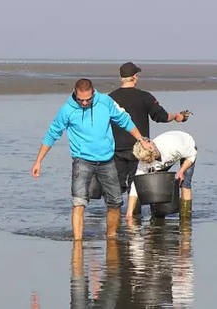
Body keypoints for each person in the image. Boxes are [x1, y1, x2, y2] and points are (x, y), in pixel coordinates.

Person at [31, 78, 154, 240]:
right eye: (81, 99)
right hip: (82, 161)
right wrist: (38, 161)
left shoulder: (105, 102)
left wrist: (141, 140)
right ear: (75, 94)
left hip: (107, 160)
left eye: (88, 99)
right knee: (79, 202)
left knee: (116, 202)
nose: (84, 103)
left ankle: (111, 238)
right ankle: (77, 243)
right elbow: (52, 134)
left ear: (93, 92)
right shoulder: (67, 110)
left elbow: (124, 120)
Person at [108, 62, 189, 201]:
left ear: (121, 77)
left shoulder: (109, 99)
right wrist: (176, 116)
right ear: (135, 77)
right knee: (137, 185)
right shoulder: (145, 97)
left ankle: (115, 216)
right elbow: (161, 117)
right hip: (140, 148)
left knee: (116, 186)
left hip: (116, 148)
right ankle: (135, 217)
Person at [126, 130, 198, 220]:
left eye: (148, 159)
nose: (147, 162)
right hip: (166, 159)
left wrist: (181, 171)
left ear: (153, 152)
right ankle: (157, 217)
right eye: (144, 161)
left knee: (185, 184)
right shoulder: (144, 161)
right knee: (155, 184)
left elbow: (191, 156)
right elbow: (135, 185)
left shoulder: (173, 147)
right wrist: (129, 213)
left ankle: (185, 218)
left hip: (187, 148)